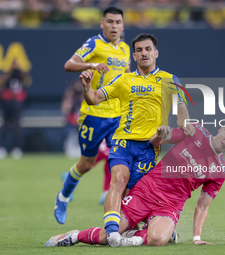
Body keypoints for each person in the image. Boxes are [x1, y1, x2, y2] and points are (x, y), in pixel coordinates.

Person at [45, 119, 225, 247]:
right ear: (222, 128)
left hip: (170, 205)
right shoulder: (194, 131)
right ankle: (74, 236)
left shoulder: (220, 171)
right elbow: (156, 141)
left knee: (158, 240)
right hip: (146, 192)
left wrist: (196, 238)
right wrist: (161, 135)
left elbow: (202, 206)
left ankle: (143, 234)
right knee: (107, 236)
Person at [77, 33, 194, 247]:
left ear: (156, 53)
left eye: (148, 49)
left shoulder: (170, 80)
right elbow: (94, 98)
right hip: (123, 142)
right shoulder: (124, 79)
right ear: (134, 55)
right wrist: (86, 86)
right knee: (118, 180)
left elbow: (183, 121)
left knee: (134, 198)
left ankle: (142, 229)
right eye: (139, 50)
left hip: (149, 147)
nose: (144, 53)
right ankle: (112, 233)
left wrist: (174, 134)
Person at [54, 7, 131, 224]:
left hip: (117, 117)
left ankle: (120, 220)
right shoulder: (94, 44)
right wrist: (91, 64)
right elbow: (69, 65)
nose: (114, 26)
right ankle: (63, 196)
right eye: (110, 22)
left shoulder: (125, 50)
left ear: (123, 25)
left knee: (120, 167)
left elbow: (124, 79)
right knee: (86, 164)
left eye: (118, 22)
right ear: (102, 24)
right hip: (93, 115)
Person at [0, 61, 30, 159]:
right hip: (7, 103)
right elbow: (0, 82)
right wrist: (10, 71)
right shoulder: (8, 75)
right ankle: (1, 148)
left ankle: (16, 148)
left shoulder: (20, 75)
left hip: (17, 104)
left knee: (17, 127)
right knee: (4, 127)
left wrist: (19, 69)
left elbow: (26, 79)